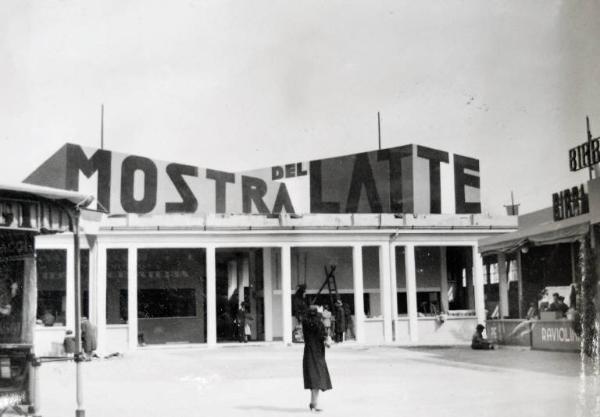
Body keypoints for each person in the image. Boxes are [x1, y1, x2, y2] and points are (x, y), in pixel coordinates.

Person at [302, 306, 332, 412]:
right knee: (318, 377)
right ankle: (314, 403)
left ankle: (313, 402)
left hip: (308, 352)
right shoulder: (319, 324)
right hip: (318, 353)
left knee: (312, 377)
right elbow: (324, 338)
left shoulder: (305, 323)